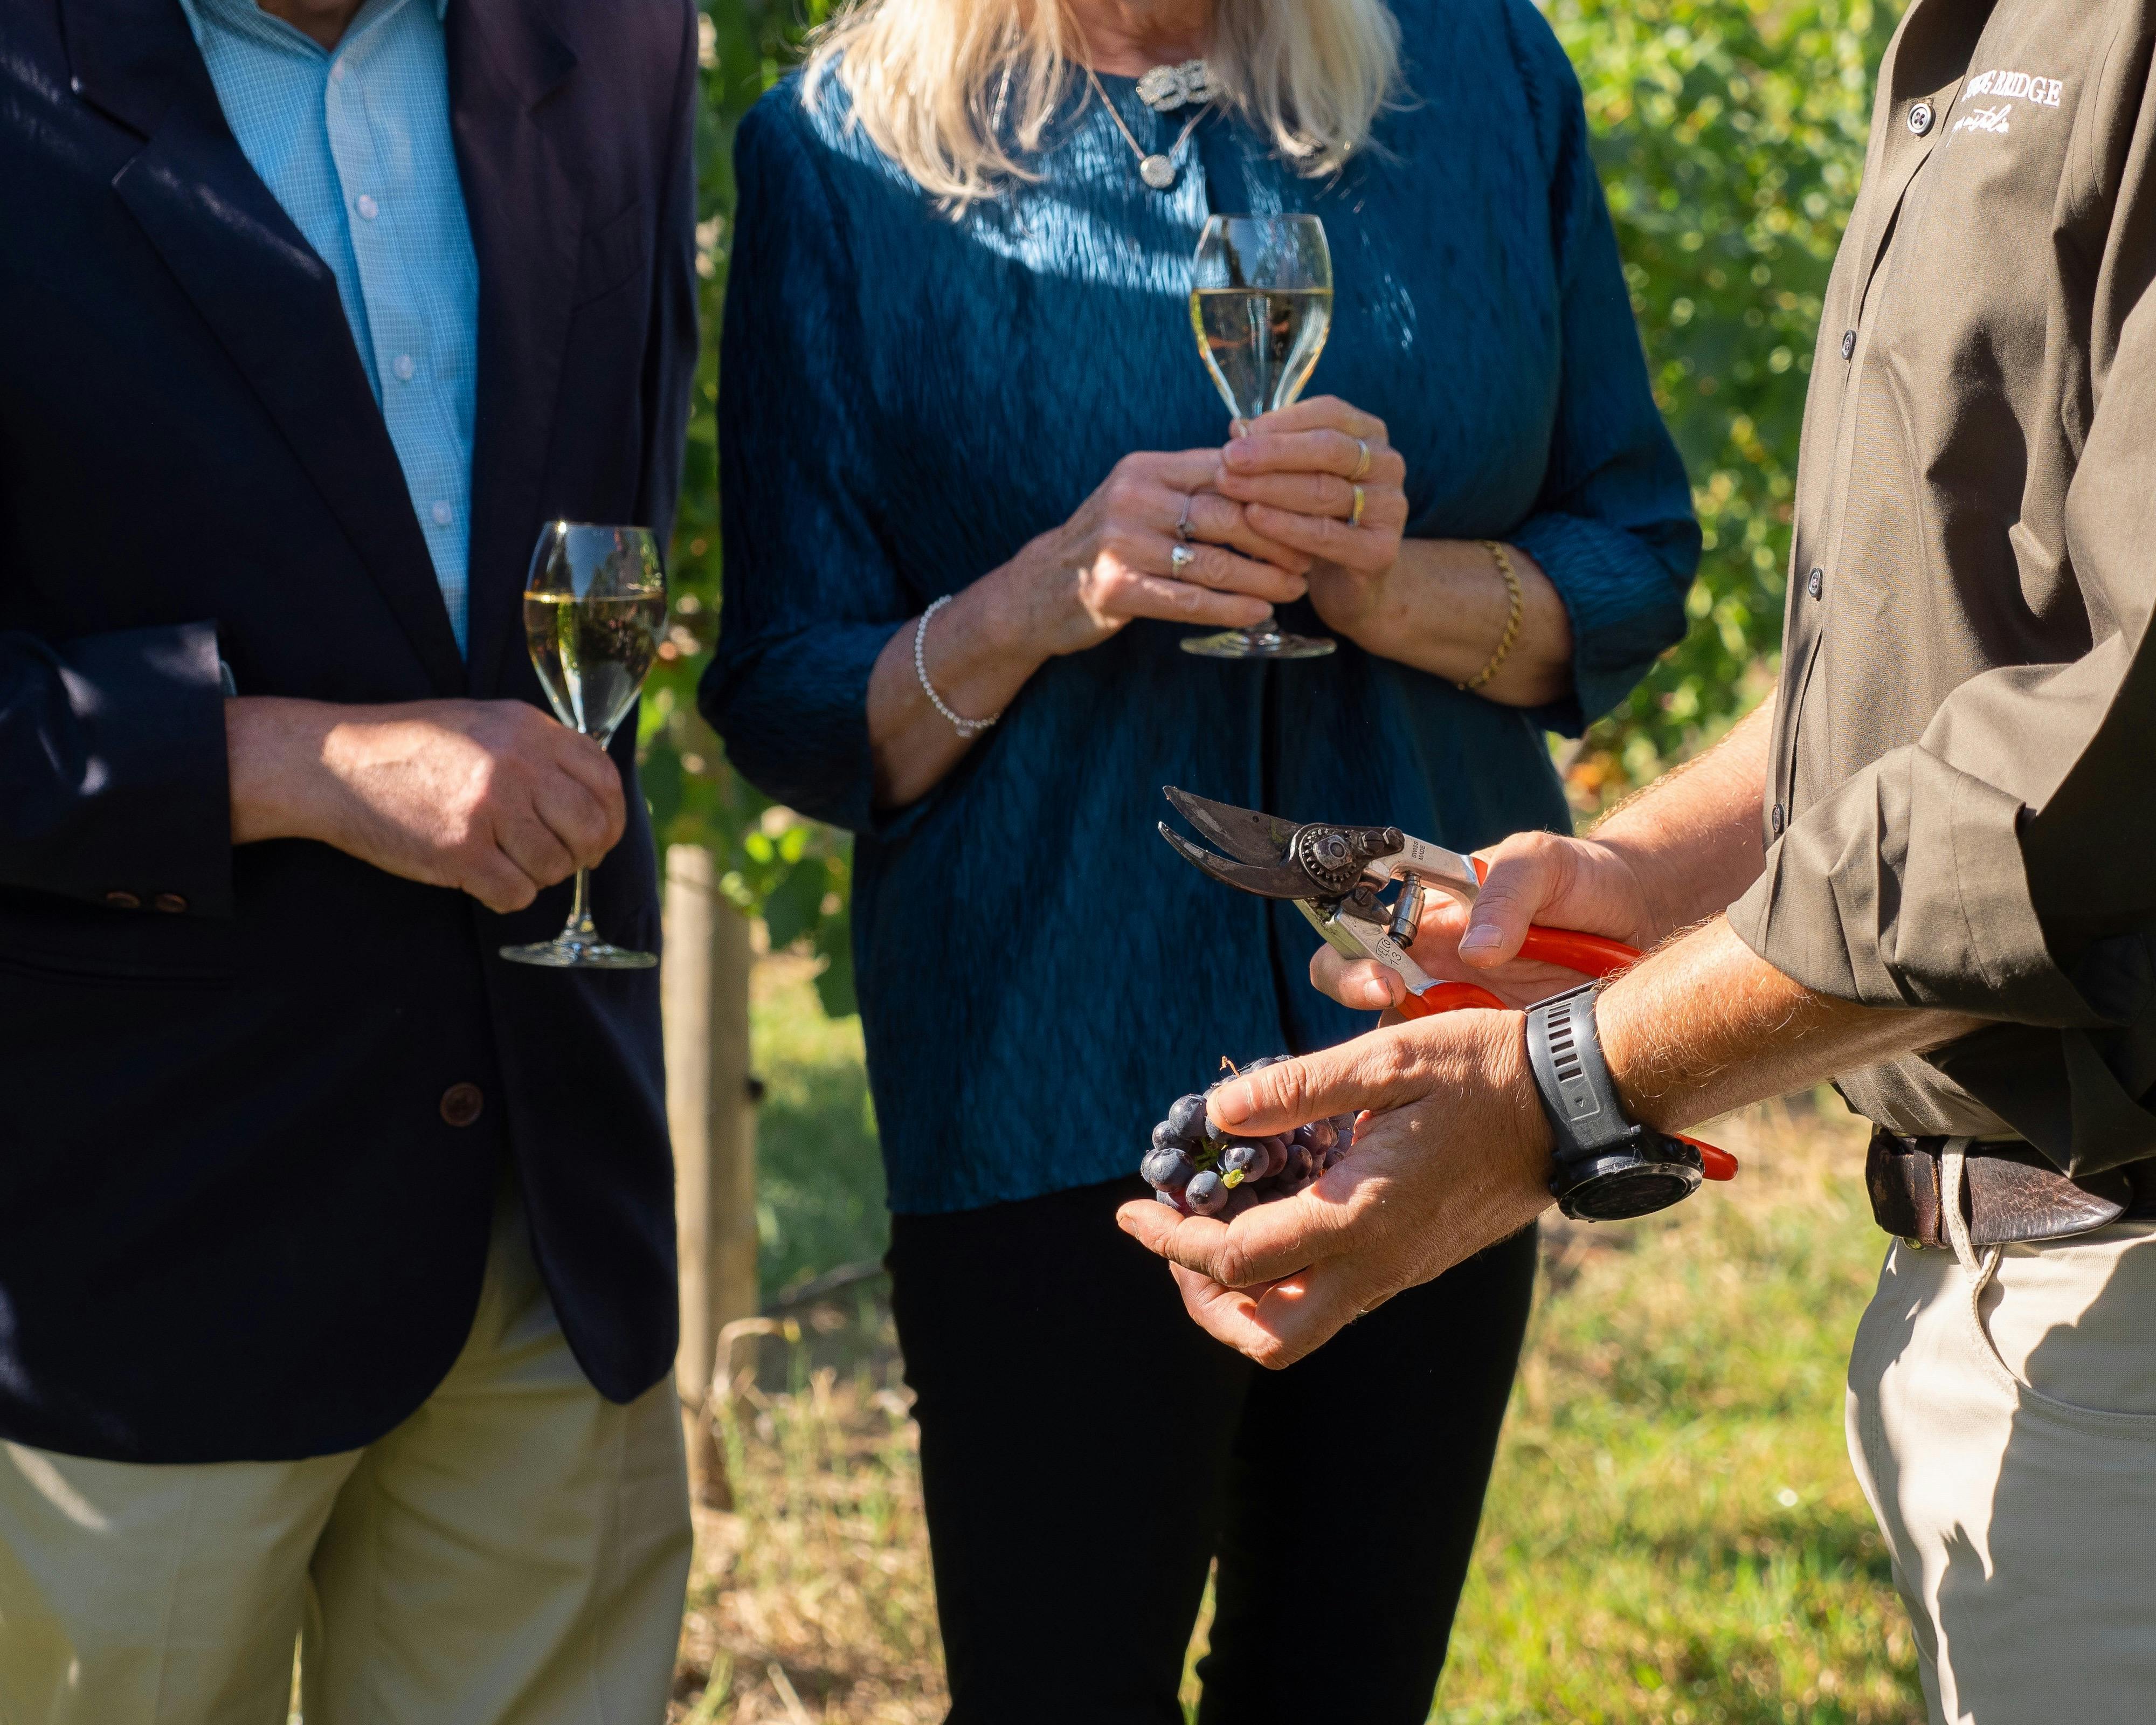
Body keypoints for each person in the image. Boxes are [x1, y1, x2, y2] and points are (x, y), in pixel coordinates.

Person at [1123, 1, 2156, 1717]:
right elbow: (1948, 662)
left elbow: (2102, 746)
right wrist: (1639, 884)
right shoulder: (1974, 34)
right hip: (1990, 1309)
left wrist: (1566, 1090)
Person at [699, 0, 1698, 1713]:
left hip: (1424, 1054)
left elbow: (1632, 550)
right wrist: (1046, 594)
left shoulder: (1483, 75)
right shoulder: (841, 149)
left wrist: (1399, 591)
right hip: (1037, 1076)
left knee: (1348, 1682)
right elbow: (795, 692)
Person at [0, 0, 699, 1716]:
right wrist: (284, 759)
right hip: (131, 1259)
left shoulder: (621, 38)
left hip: (551, 1227)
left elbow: (618, 533)